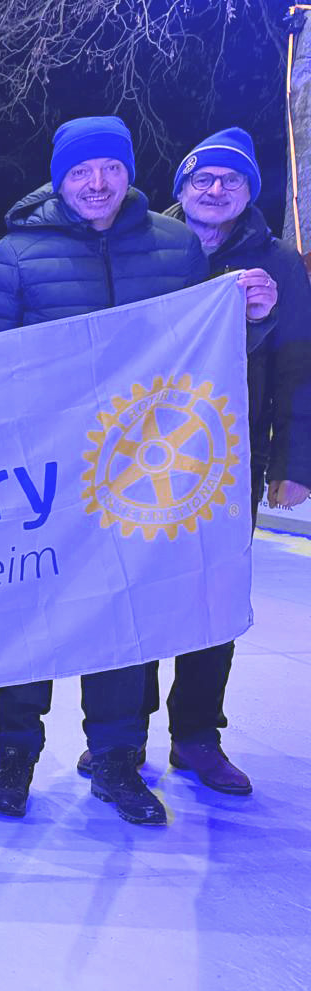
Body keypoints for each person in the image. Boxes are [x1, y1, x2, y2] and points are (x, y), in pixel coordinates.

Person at [0, 115, 278, 826]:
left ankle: (115, 758)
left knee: (122, 619)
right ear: (60, 177)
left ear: (129, 170)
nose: (97, 183)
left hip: (137, 473)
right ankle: (13, 755)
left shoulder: (175, 248)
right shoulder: (18, 253)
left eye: (110, 167)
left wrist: (253, 315)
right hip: (42, 477)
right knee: (31, 617)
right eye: (80, 171)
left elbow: (211, 344)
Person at [131, 127, 311, 795]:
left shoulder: (280, 263)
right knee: (141, 594)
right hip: (143, 457)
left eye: (229, 181)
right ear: (180, 189)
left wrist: (292, 462)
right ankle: (126, 731)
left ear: (247, 192)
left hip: (228, 461)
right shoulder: (148, 248)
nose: (214, 190)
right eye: (202, 179)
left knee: (213, 597)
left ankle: (198, 736)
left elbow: (298, 367)